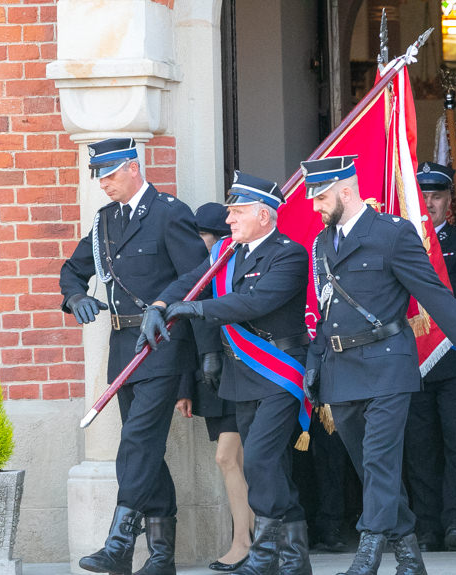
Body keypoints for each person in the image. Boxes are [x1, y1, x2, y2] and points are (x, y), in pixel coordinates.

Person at [301, 155, 456, 575]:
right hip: (340, 369)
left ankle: (370, 550)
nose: (314, 205)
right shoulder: (323, 242)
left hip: (387, 364)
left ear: (346, 190)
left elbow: (435, 295)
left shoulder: (393, 234)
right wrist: (314, 364)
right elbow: (325, 313)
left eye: (321, 196)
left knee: (379, 459)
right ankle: (410, 552)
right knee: (367, 464)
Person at [139, 172, 313, 575]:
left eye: (237, 212)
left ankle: (265, 556)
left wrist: (196, 310)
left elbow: (254, 303)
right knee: (266, 466)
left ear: (264, 215)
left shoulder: (289, 253)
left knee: (261, 462)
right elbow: (190, 280)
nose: (229, 219)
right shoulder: (226, 251)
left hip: (276, 372)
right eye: (231, 212)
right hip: (241, 375)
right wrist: (162, 303)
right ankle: (294, 559)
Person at [60, 138, 214, 575]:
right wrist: (75, 297)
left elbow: (197, 272)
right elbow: (73, 269)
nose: (103, 184)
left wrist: (162, 305)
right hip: (122, 349)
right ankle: (162, 556)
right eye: (99, 177)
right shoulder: (105, 221)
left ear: (133, 167)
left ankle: (119, 542)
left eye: (109, 175)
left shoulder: (169, 212)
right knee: (145, 449)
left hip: (163, 347)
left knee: (138, 443)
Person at [403, 162, 456, 552]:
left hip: (452, 357)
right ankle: (427, 526)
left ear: (449, 201)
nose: (429, 203)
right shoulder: (401, 241)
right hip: (413, 360)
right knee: (419, 447)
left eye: (436, 196)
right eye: (423, 196)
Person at [173, 202, 254, 572]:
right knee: (232, 460)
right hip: (212, 379)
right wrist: (185, 385)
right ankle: (249, 540)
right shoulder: (206, 268)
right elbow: (188, 334)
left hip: (242, 369)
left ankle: (245, 541)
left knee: (231, 458)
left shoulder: (235, 264)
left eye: (204, 237)